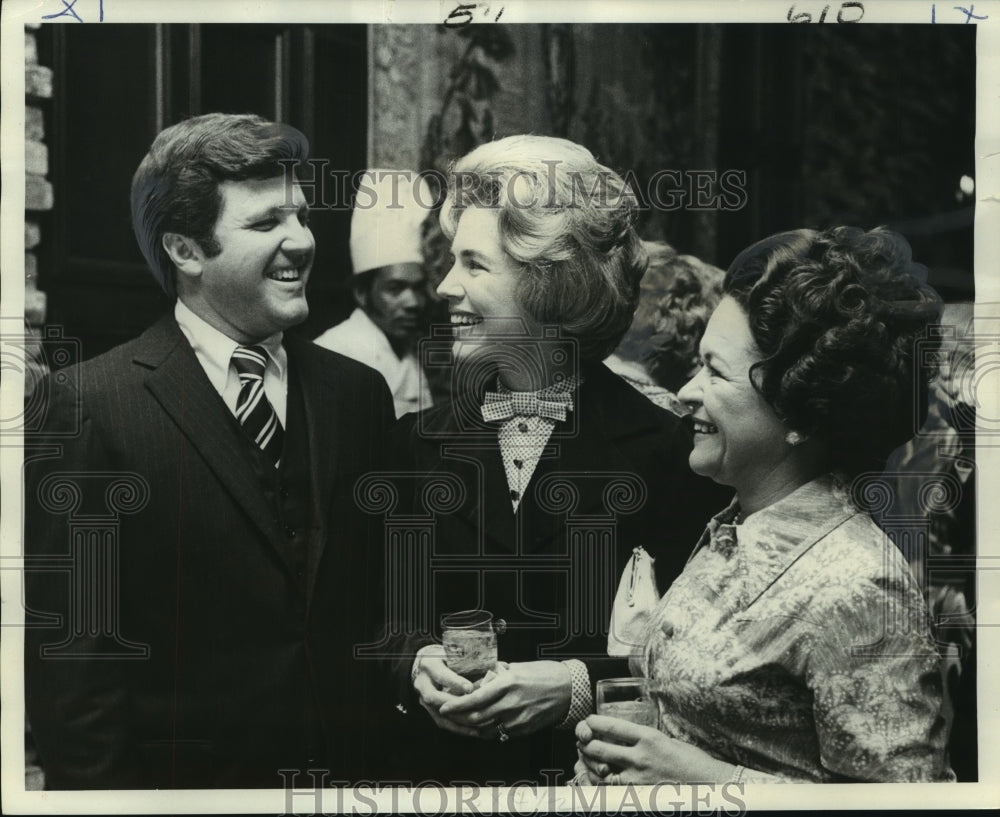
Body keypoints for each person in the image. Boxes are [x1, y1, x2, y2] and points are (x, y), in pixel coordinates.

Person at [23, 113, 396, 789]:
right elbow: (74, 676)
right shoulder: (87, 407)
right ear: (185, 250)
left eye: (302, 216)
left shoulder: (359, 395)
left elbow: (385, 606)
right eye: (265, 224)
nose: (303, 242)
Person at [378, 135, 727, 784]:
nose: (445, 287)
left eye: (475, 266)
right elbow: (378, 617)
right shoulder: (412, 445)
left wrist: (577, 686)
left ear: (554, 288)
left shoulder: (668, 454)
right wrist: (416, 661)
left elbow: (707, 665)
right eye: (452, 262)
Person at [575, 226, 956, 783]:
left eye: (715, 372)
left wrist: (700, 780)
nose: (685, 392)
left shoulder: (858, 589)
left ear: (798, 412)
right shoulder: (734, 528)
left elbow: (905, 804)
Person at [314, 169, 434, 417]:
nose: (413, 302)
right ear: (361, 293)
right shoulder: (332, 353)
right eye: (395, 289)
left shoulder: (408, 353)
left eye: (418, 288)